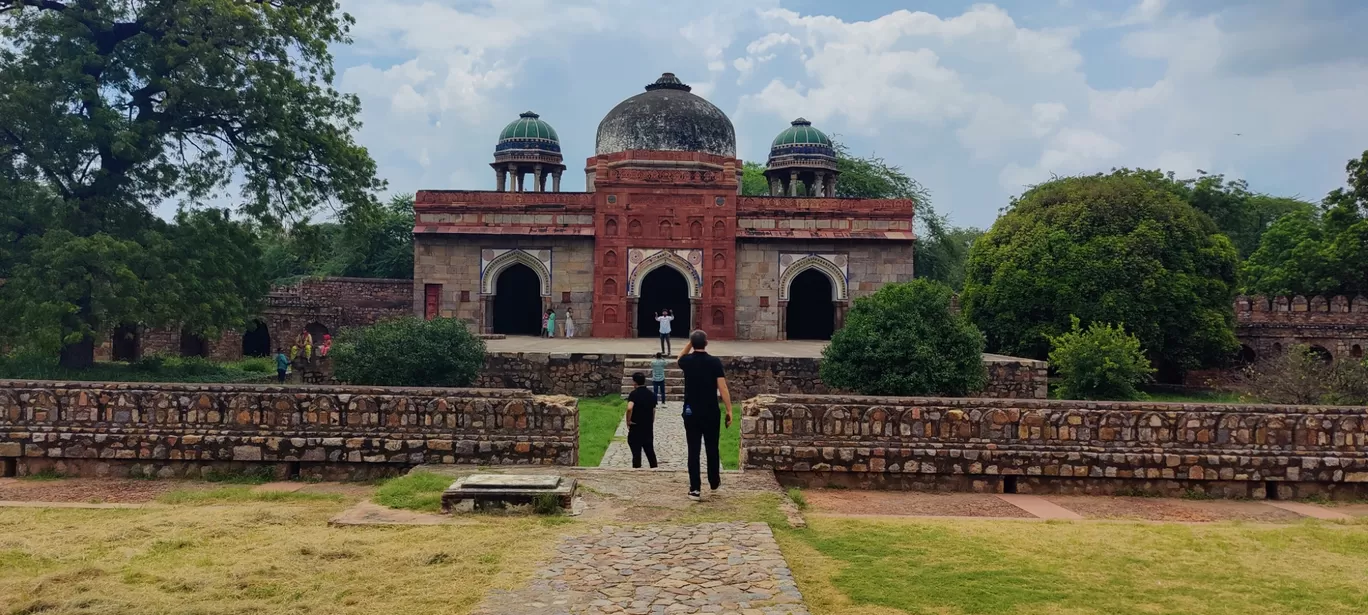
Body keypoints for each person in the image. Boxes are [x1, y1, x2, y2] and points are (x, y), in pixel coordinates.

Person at [677, 329, 732, 501]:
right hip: (711, 411)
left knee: (693, 450)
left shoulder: (687, 362)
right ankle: (714, 481)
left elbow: (678, 358)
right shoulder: (714, 362)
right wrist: (729, 410)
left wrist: (690, 344)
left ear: (693, 344)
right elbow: (722, 388)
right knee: (712, 447)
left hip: (691, 411)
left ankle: (695, 489)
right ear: (706, 343)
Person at [625, 371, 659, 469]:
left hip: (636, 426)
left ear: (635, 382)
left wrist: (628, 421)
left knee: (636, 453)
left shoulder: (633, 394)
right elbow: (653, 410)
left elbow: (629, 408)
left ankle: (637, 470)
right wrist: (651, 421)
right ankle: (654, 469)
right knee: (650, 451)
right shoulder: (651, 395)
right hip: (647, 427)